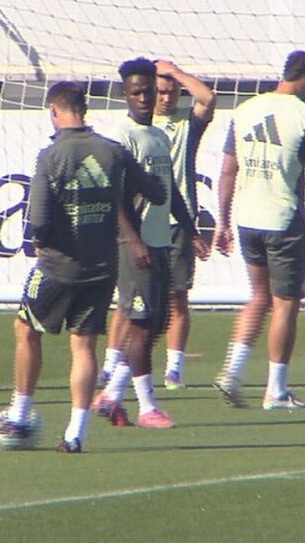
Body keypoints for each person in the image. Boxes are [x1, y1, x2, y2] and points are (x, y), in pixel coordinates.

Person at [0, 81, 166, 453]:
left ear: (54, 111)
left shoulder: (51, 156)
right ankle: (74, 434)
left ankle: (19, 414)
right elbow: (156, 192)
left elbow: (37, 221)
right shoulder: (113, 151)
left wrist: (44, 239)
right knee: (83, 347)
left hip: (58, 266)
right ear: (84, 109)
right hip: (102, 267)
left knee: (25, 330)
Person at [211, 50, 305, 410]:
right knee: (286, 304)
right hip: (284, 220)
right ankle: (276, 390)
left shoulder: (244, 110)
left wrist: (221, 221)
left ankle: (232, 372)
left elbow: (227, 170)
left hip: (247, 220)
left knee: (258, 296)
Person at [92, 57, 208, 429]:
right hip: (135, 246)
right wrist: (134, 240)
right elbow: (114, 197)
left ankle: (110, 395)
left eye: (149, 92)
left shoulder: (157, 135)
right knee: (140, 324)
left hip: (159, 242)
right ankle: (147, 407)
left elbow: (170, 188)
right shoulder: (120, 137)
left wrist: (190, 227)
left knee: (155, 322)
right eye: (138, 92)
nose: (145, 98)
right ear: (125, 94)